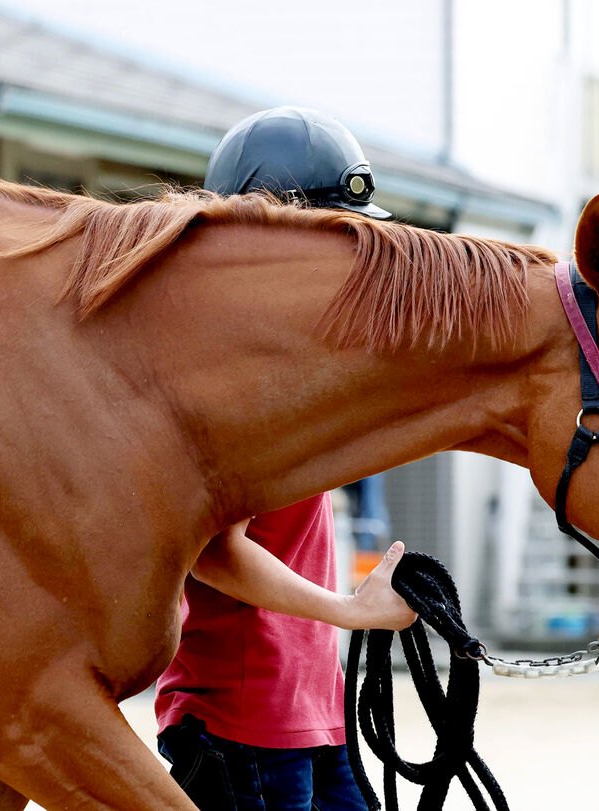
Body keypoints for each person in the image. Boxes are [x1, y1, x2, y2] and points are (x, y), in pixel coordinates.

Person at [155, 106, 413, 811]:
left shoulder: (288, 359)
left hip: (307, 708)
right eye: (335, 235)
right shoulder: (227, 370)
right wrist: (350, 610)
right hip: (244, 719)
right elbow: (213, 551)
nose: (350, 257)